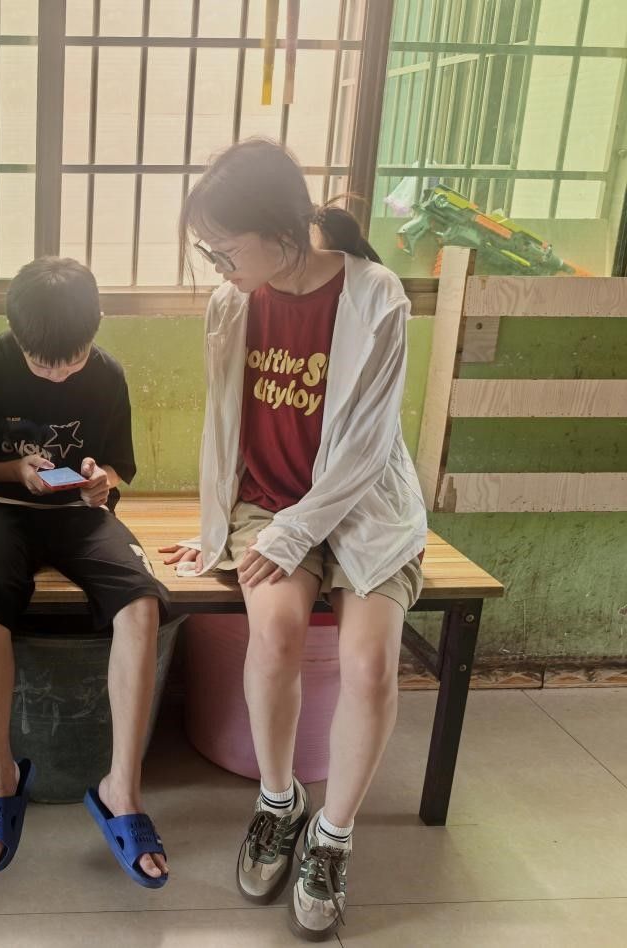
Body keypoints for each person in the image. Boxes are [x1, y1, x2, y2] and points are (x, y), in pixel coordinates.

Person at [162, 139, 427, 939]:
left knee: (370, 664)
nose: (217, 266)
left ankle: (332, 838)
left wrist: (295, 533)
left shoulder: (376, 296)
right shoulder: (233, 303)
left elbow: (366, 449)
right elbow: (224, 429)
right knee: (274, 634)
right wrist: (217, 531)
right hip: (267, 504)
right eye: (207, 251)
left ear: (282, 232)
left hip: (362, 506)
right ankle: (280, 802)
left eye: (224, 249)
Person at [0, 256, 172, 887]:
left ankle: (122, 787)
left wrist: (102, 481)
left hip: (76, 511)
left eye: (70, 360)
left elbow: (119, 467)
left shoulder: (107, 375)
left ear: (96, 326)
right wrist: (13, 471)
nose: (56, 372)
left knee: (141, 600)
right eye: (41, 362)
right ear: (15, 332)